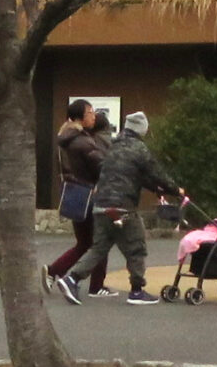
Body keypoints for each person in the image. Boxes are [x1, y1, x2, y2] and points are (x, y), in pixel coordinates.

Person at [75, 109, 182, 305]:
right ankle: (137, 291)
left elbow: (133, 175)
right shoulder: (139, 149)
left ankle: (71, 279)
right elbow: (156, 173)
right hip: (122, 207)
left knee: (99, 248)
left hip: (101, 205)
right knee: (136, 246)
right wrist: (176, 190)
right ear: (141, 129)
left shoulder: (113, 146)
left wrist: (155, 188)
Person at [41, 99, 110, 306]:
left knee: (85, 242)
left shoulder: (65, 137)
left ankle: (54, 270)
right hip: (90, 194)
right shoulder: (82, 141)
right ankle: (96, 286)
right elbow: (102, 167)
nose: (94, 116)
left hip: (74, 194)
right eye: (90, 112)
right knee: (100, 241)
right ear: (80, 117)